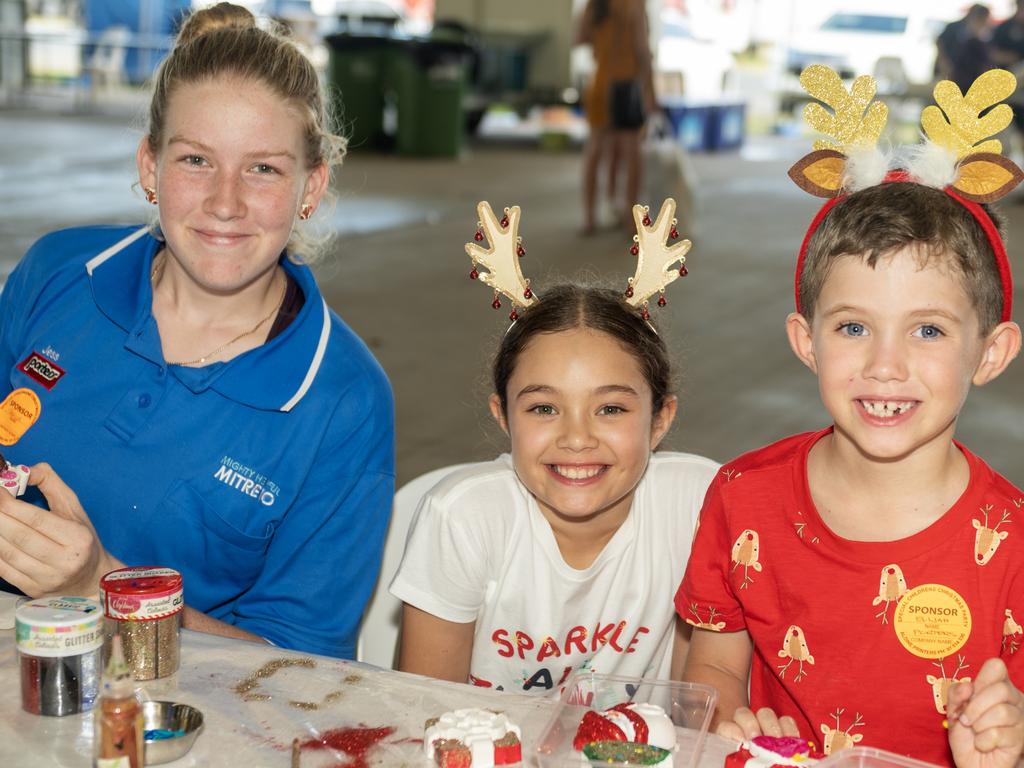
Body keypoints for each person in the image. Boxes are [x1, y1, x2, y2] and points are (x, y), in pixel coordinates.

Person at [0, 2, 394, 659]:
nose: (226, 202)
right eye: (195, 161)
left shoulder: (342, 402)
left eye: (263, 168)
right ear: (150, 167)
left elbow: (302, 671)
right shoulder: (58, 272)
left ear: (311, 187)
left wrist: (103, 588)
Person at [678, 67, 1024, 766]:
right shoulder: (742, 499)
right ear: (807, 342)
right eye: (853, 328)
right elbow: (711, 666)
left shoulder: (1013, 545)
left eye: (928, 331)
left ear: (991, 353)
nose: (885, 366)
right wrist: (720, 721)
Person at [391, 282, 718, 694]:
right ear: (504, 416)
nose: (577, 438)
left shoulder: (700, 505)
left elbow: (698, 709)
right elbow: (425, 712)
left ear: (659, 420)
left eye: (610, 409)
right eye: (544, 408)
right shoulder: (463, 517)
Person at [576, 0, 656, 235]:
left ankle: (589, 218)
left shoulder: (595, 4)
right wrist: (651, 90)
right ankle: (631, 220)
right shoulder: (634, 3)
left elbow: (580, 38)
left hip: (599, 84)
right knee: (632, 153)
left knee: (595, 151)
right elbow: (642, 47)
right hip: (625, 84)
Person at [936, 4, 992, 92]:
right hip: (950, 69)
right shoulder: (954, 27)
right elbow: (940, 43)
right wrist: (944, 63)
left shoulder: (983, 33)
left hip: (967, 76)